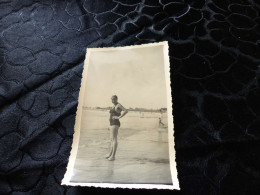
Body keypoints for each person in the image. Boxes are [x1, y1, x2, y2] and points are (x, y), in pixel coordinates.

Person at [106, 95, 128, 161]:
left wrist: (119, 117)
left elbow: (126, 110)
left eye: (114, 99)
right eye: (112, 99)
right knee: (111, 139)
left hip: (115, 123)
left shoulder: (118, 105)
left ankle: (113, 156)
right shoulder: (113, 106)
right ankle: (110, 154)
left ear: (117, 99)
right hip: (111, 123)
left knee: (114, 139)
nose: (113, 101)